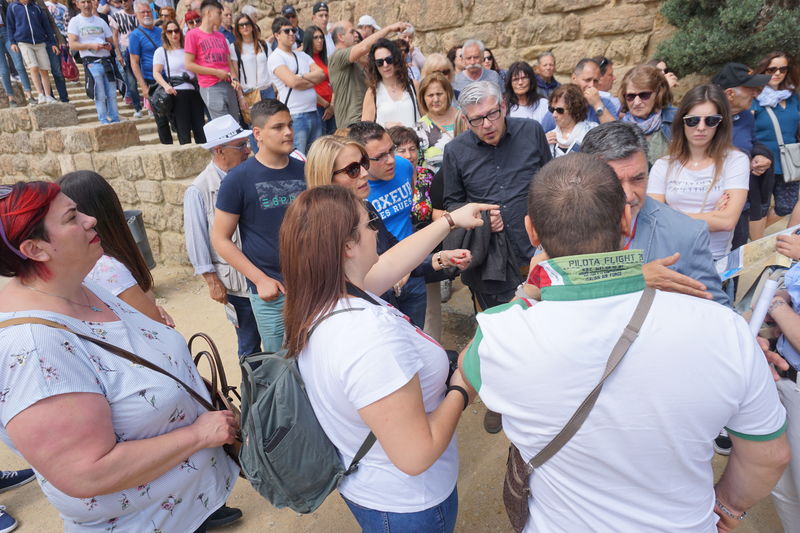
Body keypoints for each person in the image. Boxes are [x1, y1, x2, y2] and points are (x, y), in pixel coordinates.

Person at [458, 153, 789, 533]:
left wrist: (529, 290)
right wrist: (728, 505)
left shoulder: (500, 336)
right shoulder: (724, 329)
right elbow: (769, 455)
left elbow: (468, 362)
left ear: (532, 231)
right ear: (626, 220)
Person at [0, 181, 240, 532]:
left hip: (184, 511)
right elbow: (86, 472)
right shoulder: (33, 347)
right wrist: (199, 436)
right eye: (72, 217)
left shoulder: (82, 286)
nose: (91, 219)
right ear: (36, 249)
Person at [280, 184, 490, 532]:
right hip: (408, 504)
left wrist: (450, 221)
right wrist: (463, 385)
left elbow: (393, 262)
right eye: (370, 223)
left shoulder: (320, 299)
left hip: (370, 486)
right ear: (348, 246)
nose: (377, 231)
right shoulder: (369, 336)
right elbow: (415, 455)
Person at [581, 121, 729, 305]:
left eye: (638, 179)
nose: (628, 195)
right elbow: (551, 291)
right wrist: (632, 279)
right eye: (615, 182)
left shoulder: (687, 234)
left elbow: (717, 309)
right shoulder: (564, 224)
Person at [211, 99, 306, 353]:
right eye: (278, 127)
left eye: (290, 125)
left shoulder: (305, 170)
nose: (288, 132)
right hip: (273, 294)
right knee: (282, 366)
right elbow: (220, 238)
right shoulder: (237, 179)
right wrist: (260, 279)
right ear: (258, 134)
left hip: (312, 285)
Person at [184, 115, 262, 357]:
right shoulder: (199, 189)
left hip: (264, 274)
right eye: (240, 146)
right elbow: (196, 238)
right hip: (237, 284)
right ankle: (254, 383)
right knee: (249, 345)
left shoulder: (252, 175)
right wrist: (211, 280)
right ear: (219, 150)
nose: (248, 150)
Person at [648, 84, 749, 262]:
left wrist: (670, 215)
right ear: (682, 121)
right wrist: (712, 217)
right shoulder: (663, 165)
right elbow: (653, 221)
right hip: (670, 259)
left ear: (721, 123)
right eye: (693, 120)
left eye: (711, 120)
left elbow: (727, 222)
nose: (701, 127)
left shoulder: (735, 161)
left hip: (714, 262)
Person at [57, 171, 171, 327]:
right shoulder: (106, 268)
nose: (90, 221)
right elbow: (156, 327)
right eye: (72, 217)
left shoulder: (71, 267)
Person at [348, 121, 429, 327]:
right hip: (377, 277)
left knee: (417, 332)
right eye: (380, 157)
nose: (391, 160)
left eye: (391, 150)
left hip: (413, 269)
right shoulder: (355, 190)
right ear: (361, 161)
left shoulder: (404, 166)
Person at [712, 62, 774, 244]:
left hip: (741, 205)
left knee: (736, 254)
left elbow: (751, 143)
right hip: (710, 206)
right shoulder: (702, 120)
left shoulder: (747, 116)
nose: (756, 93)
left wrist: (760, 155)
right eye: (750, 89)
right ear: (730, 93)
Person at [327, 19, 407, 128]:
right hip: (351, 126)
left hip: (364, 122)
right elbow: (363, 47)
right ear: (341, 37)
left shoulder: (356, 61)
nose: (356, 35)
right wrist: (389, 29)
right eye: (352, 32)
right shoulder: (337, 56)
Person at [752, 51, 800, 226]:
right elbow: (744, 131)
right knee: (759, 209)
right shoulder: (754, 98)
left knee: (786, 206)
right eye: (771, 69)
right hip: (763, 163)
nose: (777, 73)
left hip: (790, 163)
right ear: (763, 71)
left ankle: (754, 235)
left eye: (783, 69)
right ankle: (753, 236)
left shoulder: (793, 98)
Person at [267, 15, 324, 153]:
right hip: (295, 115)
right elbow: (292, 82)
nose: (292, 33)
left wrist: (301, 77)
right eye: (287, 31)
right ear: (277, 35)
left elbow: (321, 75)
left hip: (313, 111)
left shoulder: (303, 55)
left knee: (316, 157)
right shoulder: (276, 57)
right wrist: (310, 80)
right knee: (298, 156)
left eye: (293, 30)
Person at [184, 0, 239, 121]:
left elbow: (228, 62)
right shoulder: (192, 35)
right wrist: (216, 72)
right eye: (219, 13)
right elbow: (188, 64)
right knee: (224, 124)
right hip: (211, 86)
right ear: (208, 13)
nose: (221, 17)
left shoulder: (221, 36)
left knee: (235, 122)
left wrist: (235, 79)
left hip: (228, 85)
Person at [153, 18, 206, 144]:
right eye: (170, 32)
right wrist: (166, 86)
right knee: (183, 130)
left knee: (200, 129)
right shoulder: (162, 51)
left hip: (194, 90)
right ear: (165, 34)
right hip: (177, 93)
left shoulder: (188, 48)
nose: (174, 34)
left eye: (176, 31)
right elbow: (156, 72)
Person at [67, 0, 119, 123]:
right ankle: (103, 119)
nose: (86, 5)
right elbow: (72, 45)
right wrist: (90, 46)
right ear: (77, 5)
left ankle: (115, 118)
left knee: (112, 94)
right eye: (83, 2)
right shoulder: (75, 21)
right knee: (99, 94)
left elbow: (111, 41)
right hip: (91, 62)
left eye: (89, 1)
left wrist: (108, 46)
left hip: (106, 60)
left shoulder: (101, 21)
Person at [128, 0, 173, 143]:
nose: (147, 14)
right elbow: (134, 62)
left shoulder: (161, 32)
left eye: (149, 11)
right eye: (143, 12)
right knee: (161, 118)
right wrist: (143, 86)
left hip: (169, 77)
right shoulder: (135, 35)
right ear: (136, 14)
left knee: (176, 115)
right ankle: (167, 146)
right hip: (152, 81)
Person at [618, 64, 676, 163]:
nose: (637, 102)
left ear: (659, 94)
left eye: (644, 95)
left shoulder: (677, 120)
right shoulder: (619, 131)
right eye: (630, 96)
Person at [7, 0, 59, 103]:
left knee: (44, 70)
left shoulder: (36, 8)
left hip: (40, 43)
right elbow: (10, 26)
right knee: (33, 67)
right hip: (24, 42)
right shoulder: (12, 7)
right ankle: (40, 94)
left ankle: (48, 96)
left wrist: (53, 43)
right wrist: (12, 42)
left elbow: (46, 26)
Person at [362, 38, 419, 128]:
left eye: (389, 59)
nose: (385, 65)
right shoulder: (372, 93)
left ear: (396, 59)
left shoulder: (414, 85)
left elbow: (427, 118)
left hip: (415, 136)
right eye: (379, 62)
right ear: (375, 65)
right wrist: (384, 127)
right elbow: (365, 130)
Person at [229, 12, 272, 114]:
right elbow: (235, 75)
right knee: (254, 122)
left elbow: (272, 67)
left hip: (267, 90)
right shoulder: (234, 47)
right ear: (237, 29)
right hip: (249, 92)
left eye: (247, 24)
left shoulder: (264, 44)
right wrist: (240, 97)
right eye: (241, 25)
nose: (245, 27)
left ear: (252, 26)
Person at [414, 72, 457, 173]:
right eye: (430, 95)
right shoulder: (419, 128)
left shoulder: (465, 118)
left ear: (448, 93)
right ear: (423, 98)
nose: (436, 99)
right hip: (435, 182)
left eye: (439, 94)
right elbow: (417, 166)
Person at [110, 0, 143, 118]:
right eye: (121, 1)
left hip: (140, 49)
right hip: (125, 50)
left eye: (126, 0)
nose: (124, 3)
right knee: (131, 81)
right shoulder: (117, 16)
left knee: (146, 78)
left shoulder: (139, 14)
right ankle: (137, 107)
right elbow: (115, 36)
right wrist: (118, 54)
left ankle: (150, 106)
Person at [0, 0, 37, 106]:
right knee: (3, 70)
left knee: (19, 65)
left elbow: (10, 16)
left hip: (6, 32)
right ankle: (11, 99)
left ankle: (29, 95)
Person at [545, 83, 597, 157]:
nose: (554, 115)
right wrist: (542, 145)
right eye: (552, 109)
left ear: (574, 110)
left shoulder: (592, 131)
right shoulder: (548, 137)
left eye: (560, 110)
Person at [302, 24, 335, 134]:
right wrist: (326, 104)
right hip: (316, 107)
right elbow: (305, 86)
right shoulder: (304, 60)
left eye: (321, 37)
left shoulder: (325, 59)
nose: (320, 40)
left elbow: (334, 82)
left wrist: (332, 105)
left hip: (331, 106)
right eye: (315, 38)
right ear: (309, 40)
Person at [504, 61, 552, 126]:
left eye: (524, 78)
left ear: (531, 80)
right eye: (515, 79)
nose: (520, 82)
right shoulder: (505, 107)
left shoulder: (544, 104)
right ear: (510, 83)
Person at [570, 57, 616, 124]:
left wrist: (597, 104)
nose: (591, 85)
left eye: (595, 81)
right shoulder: (563, 101)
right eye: (587, 80)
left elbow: (614, 129)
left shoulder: (606, 103)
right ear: (574, 78)